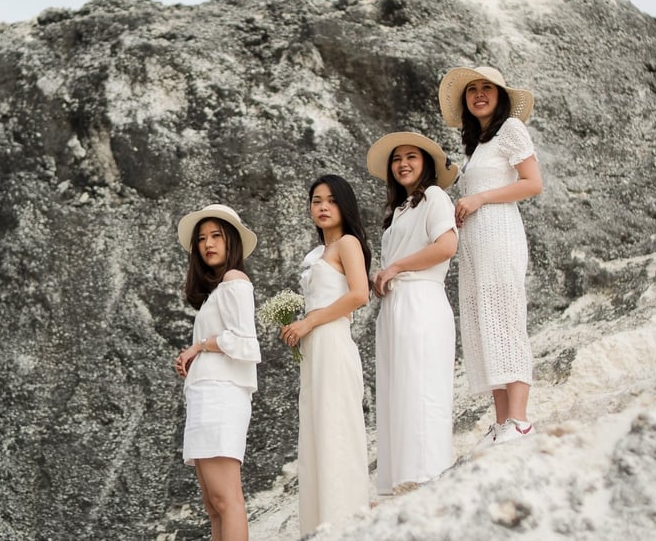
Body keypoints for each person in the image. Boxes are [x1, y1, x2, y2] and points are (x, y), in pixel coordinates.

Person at [438, 66, 543, 446]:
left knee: (506, 317)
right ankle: (501, 423)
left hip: (499, 234)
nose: (479, 94)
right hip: (475, 244)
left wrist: (480, 198)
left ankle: (520, 420)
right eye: (472, 90)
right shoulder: (479, 145)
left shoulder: (511, 129)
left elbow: (533, 183)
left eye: (487, 88)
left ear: (500, 96)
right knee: (485, 323)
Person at [366, 132, 459, 496]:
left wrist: (396, 267)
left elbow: (447, 245)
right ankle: (399, 478)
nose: (403, 164)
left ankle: (425, 475)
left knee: (421, 386)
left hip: (421, 300)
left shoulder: (434, 196)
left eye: (411, 157)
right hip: (395, 306)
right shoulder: (399, 211)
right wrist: (384, 275)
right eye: (397, 159)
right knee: (397, 389)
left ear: (426, 164)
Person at [280, 175, 371, 535]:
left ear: (344, 205)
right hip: (313, 349)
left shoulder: (348, 243)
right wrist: (296, 327)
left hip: (333, 342)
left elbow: (360, 294)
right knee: (316, 433)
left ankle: (343, 525)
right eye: (316, 200)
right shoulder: (316, 254)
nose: (322, 207)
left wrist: (309, 321)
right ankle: (318, 526)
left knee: (336, 430)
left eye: (331, 200)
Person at [174, 204, 261, 541]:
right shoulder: (216, 291)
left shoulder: (234, 280)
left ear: (231, 241)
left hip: (221, 394)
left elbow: (245, 342)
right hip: (205, 394)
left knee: (226, 500)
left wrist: (199, 346)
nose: (208, 244)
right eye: (201, 238)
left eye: (216, 236)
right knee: (213, 505)